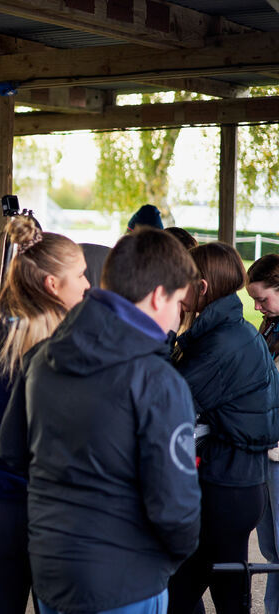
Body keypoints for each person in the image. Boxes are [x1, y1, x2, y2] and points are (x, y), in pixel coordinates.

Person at [0, 228, 202, 614]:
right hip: (126, 581)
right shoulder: (158, 381)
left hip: (51, 569)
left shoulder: (41, 356)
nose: (179, 313)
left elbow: (12, 451)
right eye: (178, 301)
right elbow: (176, 508)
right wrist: (169, 559)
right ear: (159, 295)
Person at [0, 216, 89, 614]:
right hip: (41, 503)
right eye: (81, 276)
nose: (88, 285)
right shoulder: (61, 341)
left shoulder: (0, 322)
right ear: (53, 285)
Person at [166, 242, 279, 614]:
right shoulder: (237, 331)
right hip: (237, 482)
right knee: (225, 587)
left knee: (184, 592)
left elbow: (165, 400)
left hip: (226, 486)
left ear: (201, 287)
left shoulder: (222, 343)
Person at [249, 254, 279, 614]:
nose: (257, 307)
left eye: (263, 299)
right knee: (270, 548)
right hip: (266, 450)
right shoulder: (269, 327)